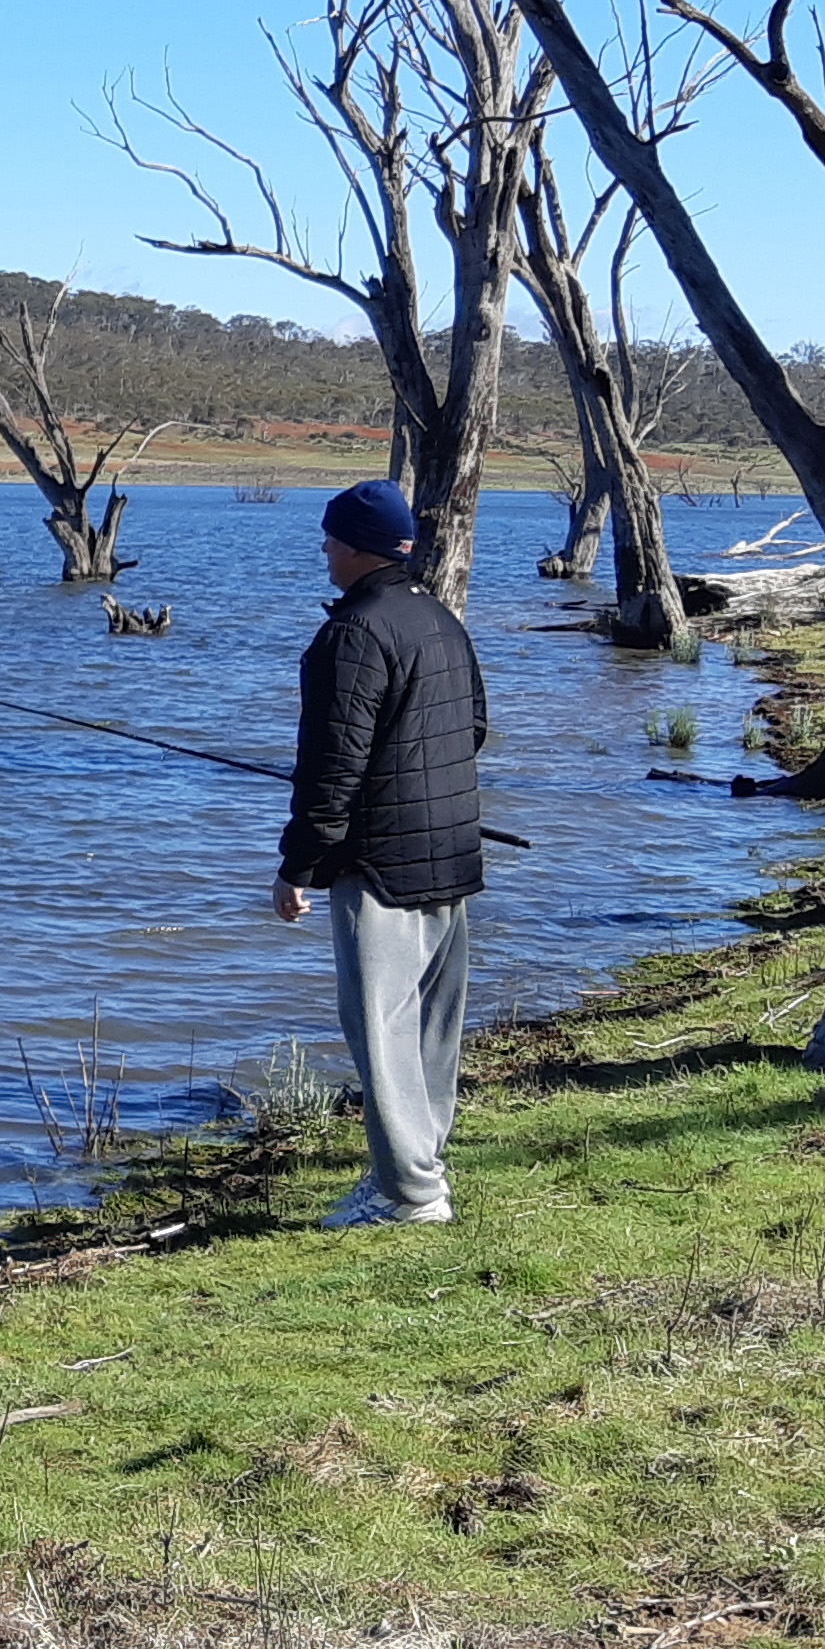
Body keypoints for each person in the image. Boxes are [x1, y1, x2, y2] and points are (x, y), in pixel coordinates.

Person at [270, 477, 489, 1228]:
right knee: (430, 1028)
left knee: (382, 1027)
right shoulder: (439, 620)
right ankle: (418, 1170)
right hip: (452, 853)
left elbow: (332, 768)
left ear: (360, 548)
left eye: (332, 538)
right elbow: (475, 730)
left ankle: (410, 1194)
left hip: (380, 866)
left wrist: (297, 866)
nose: (325, 549)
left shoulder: (352, 635)